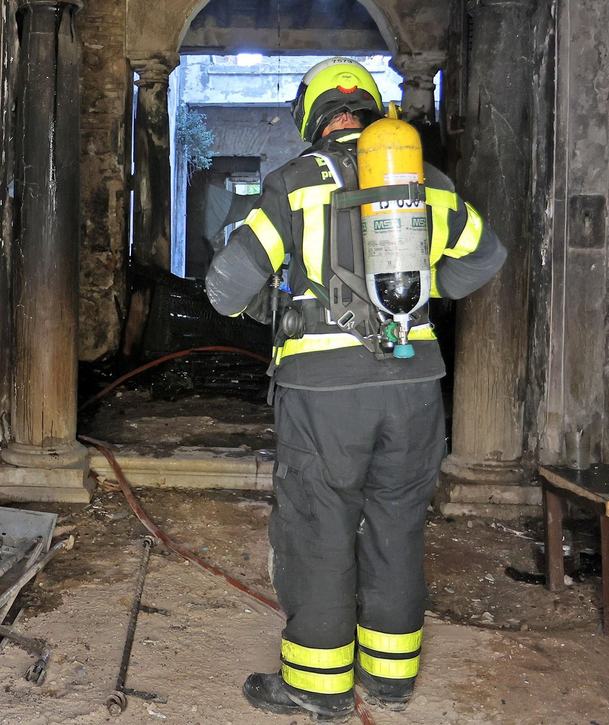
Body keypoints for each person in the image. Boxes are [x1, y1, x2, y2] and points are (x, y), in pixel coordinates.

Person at [204, 58, 506, 721]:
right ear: (372, 110)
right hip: (416, 390)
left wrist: (276, 312)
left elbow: (226, 289)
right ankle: (392, 681)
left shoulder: (291, 186)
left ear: (313, 118)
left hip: (326, 396)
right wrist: (429, 295)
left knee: (319, 528)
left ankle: (317, 684)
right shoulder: (425, 182)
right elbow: (487, 257)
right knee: (396, 525)